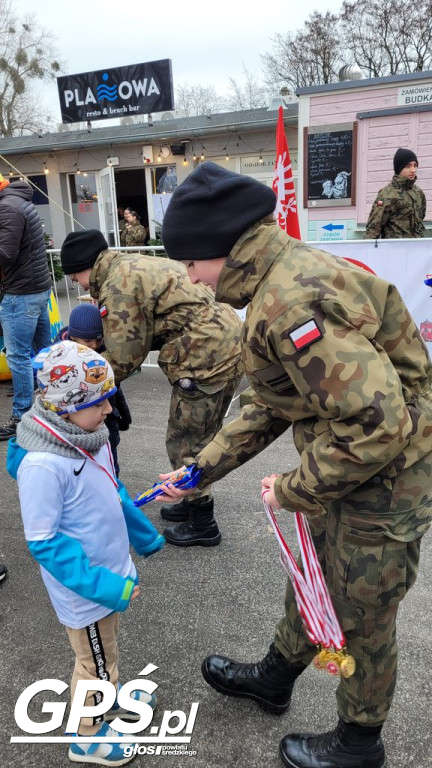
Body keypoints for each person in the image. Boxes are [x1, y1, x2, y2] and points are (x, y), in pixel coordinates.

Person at [155, 161, 432, 768]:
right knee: (313, 574)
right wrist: (200, 470)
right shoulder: (277, 282)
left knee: (362, 610)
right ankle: (275, 677)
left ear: (221, 250)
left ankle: (360, 742)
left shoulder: (289, 302)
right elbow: (274, 403)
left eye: (190, 262)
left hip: (383, 478)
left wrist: (292, 486)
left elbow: (377, 426)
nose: (189, 277)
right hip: (348, 468)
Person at [7, 340, 164, 766]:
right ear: (64, 406)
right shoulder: (43, 465)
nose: (110, 411)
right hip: (87, 592)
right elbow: (43, 542)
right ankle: (87, 736)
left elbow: (112, 492)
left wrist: (143, 537)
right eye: (100, 402)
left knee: (104, 656)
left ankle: (106, 708)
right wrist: (107, 587)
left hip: (108, 577)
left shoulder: (89, 437)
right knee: (94, 665)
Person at [59, 229, 243, 548]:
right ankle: (190, 502)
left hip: (206, 356)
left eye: (76, 277)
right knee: (200, 434)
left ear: (85, 267)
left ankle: (203, 523)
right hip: (223, 347)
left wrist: (74, 386)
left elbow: (124, 357)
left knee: (185, 440)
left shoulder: (118, 283)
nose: (78, 284)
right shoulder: (126, 267)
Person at [0, 174, 51, 440]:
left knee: (18, 357)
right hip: (36, 288)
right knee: (44, 353)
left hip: (21, 293)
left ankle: (21, 415)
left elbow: (5, 253)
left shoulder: (7, 207)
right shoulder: (18, 200)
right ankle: (51, 405)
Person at [54, 303, 132, 475]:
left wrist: (123, 415)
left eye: (99, 339)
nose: (95, 345)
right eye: (88, 341)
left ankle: (113, 492)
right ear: (73, 337)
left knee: (110, 464)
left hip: (106, 422)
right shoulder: (58, 361)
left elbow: (115, 388)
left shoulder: (105, 353)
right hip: (75, 425)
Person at [364, 147, 426, 239]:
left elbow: (421, 218)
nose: (413, 170)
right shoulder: (387, 194)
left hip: (416, 248)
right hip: (394, 249)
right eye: (408, 166)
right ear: (399, 168)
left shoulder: (418, 192)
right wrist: (368, 250)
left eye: (415, 165)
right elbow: (373, 228)